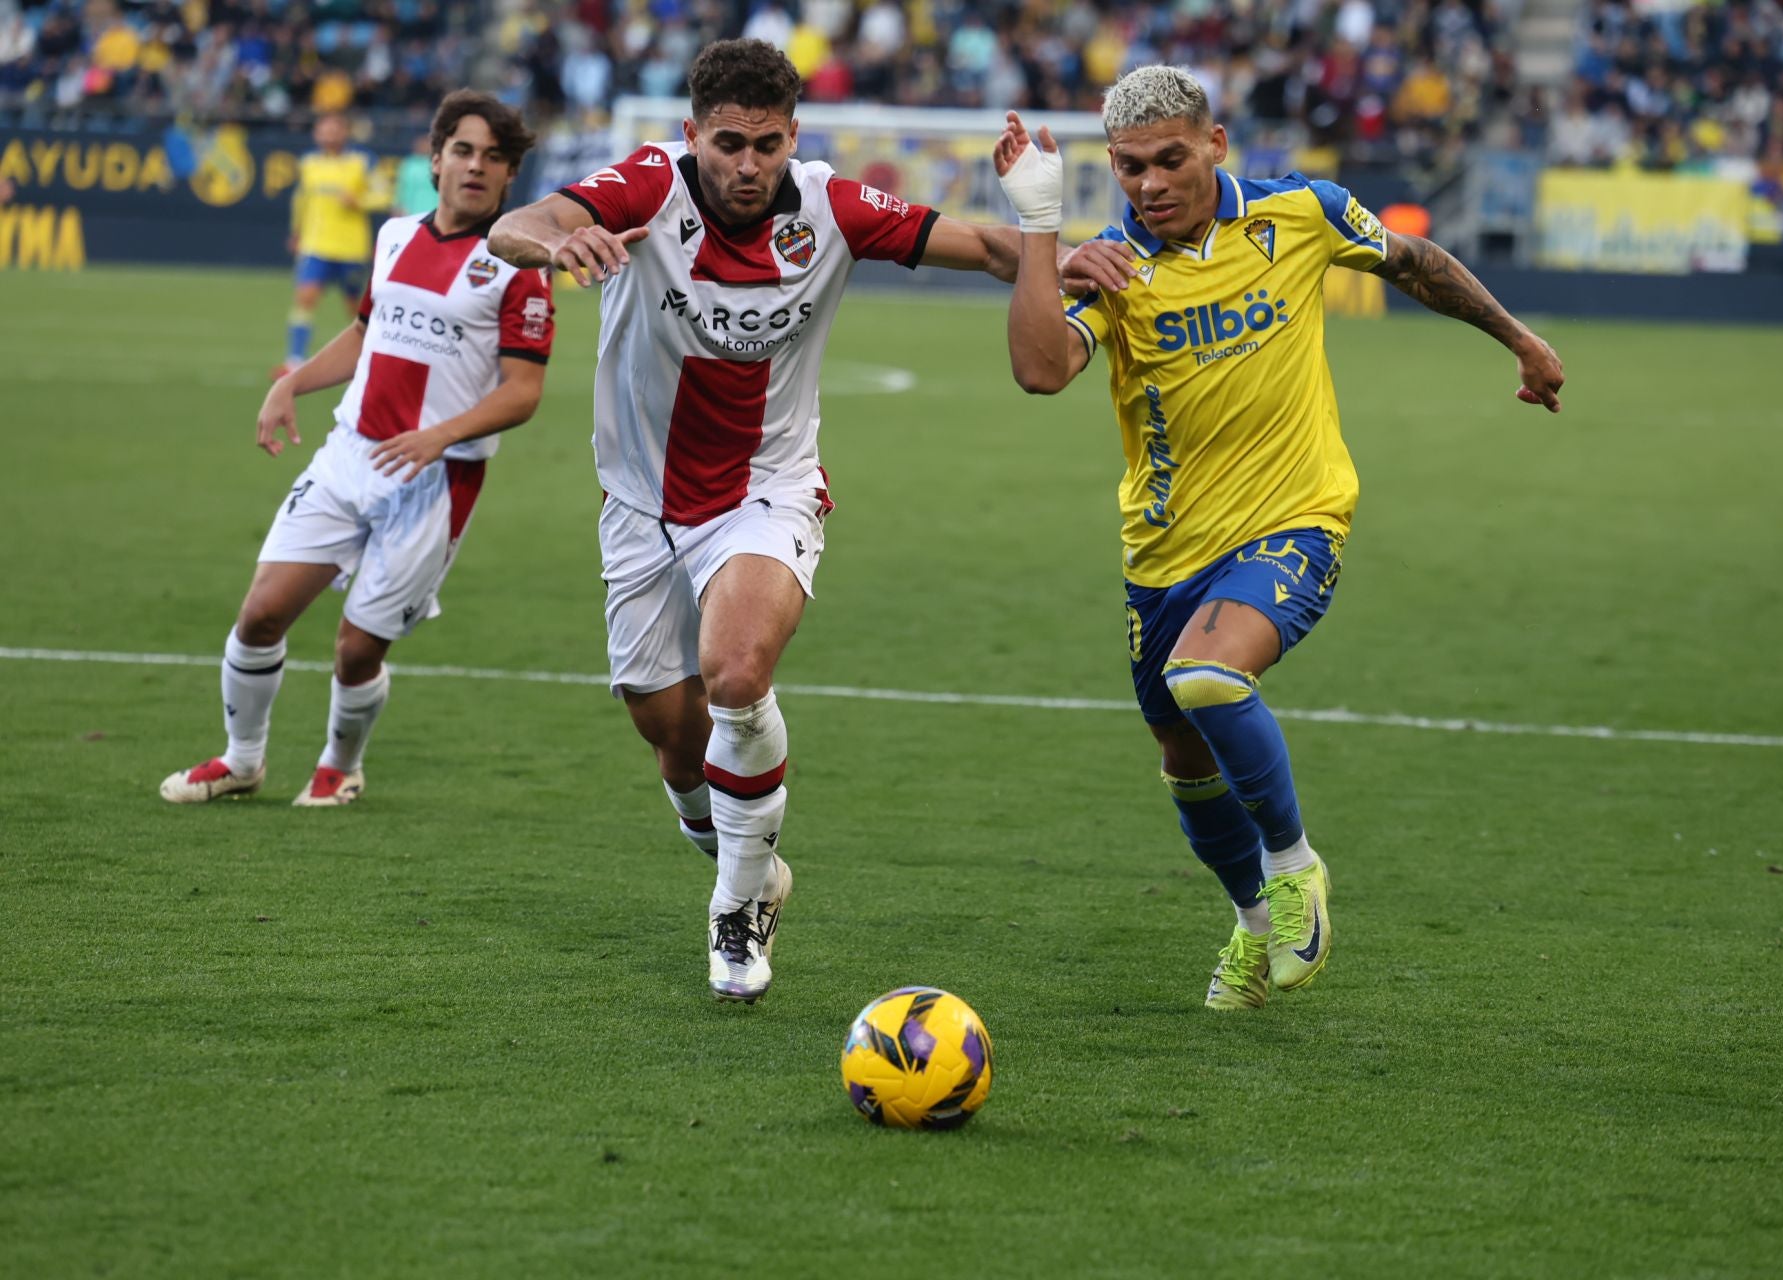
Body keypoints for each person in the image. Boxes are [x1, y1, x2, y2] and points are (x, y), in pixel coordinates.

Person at [488, 38, 1132, 1004]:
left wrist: (1056, 250)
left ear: (795, 137)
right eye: (730, 143)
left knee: (738, 672)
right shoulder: (648, 186)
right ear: (694, 134)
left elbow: (978, 245)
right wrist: (554, 240)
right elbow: (519, 222)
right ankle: (743, 851)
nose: (749, 165)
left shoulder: (830, 205)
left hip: (765, 487)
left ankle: (739, 906)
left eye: (770, 145)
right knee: (670, 731)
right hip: (639, 503)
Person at [994, 66, 1565, 1009]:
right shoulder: (1110, 264)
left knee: (1209, 675)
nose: (1151, 184)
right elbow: (1039, 370)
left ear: (1217, 146)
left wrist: (1519, 338)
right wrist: (1042, 238)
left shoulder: (1303, 212)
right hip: (1163, 553)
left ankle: (1296, 869)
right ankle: (1256, 928)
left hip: (1295, 516)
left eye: (1171, 159)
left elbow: (1415, 264)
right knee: (1182, 756)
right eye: (1131, 168)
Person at [161, 91, 554, 809]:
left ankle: (340, 764)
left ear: (508, 177)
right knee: (259, 616)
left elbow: (523, 390)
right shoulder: (397, 236)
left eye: (495, 158)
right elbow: (368, 330)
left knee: (356, 650)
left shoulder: (517, 267)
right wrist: (293, 386)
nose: (477, 166)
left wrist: (439, 435)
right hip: (350, 454)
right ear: (435, 160)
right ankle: (242, 760)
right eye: (463, 151)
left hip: (436, 479)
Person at [279, 114, 378, 379]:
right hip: (316, 245)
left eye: (334, 129)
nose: (329, 135)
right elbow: (302, 199)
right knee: (305, 298)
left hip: (351, 248)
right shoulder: (309, 163)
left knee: (355, 309)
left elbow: (382, 194)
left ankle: (365, 359)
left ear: (345, 132)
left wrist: (358, 200)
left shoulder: (361, 162)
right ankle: (294, 360)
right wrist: (297, 231)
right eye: (323, 130)